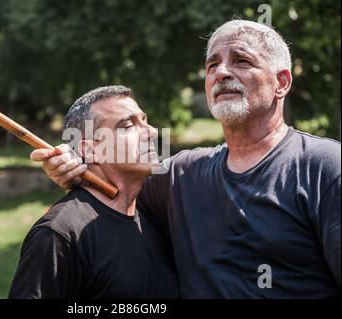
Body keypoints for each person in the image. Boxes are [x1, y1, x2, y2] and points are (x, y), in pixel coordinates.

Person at [30, 20, 341, 298]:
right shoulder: (180, 176)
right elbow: (107, 194)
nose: (221, 73)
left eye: (241, 60)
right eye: (212, 65)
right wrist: (74, 166)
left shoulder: (325, 167)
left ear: (281, 82)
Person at [8, 86, 179, 299]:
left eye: (144, 120)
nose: (151, 132)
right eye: (128, 125)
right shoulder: (60, 233)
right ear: (90, 149)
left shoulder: (154, 215)